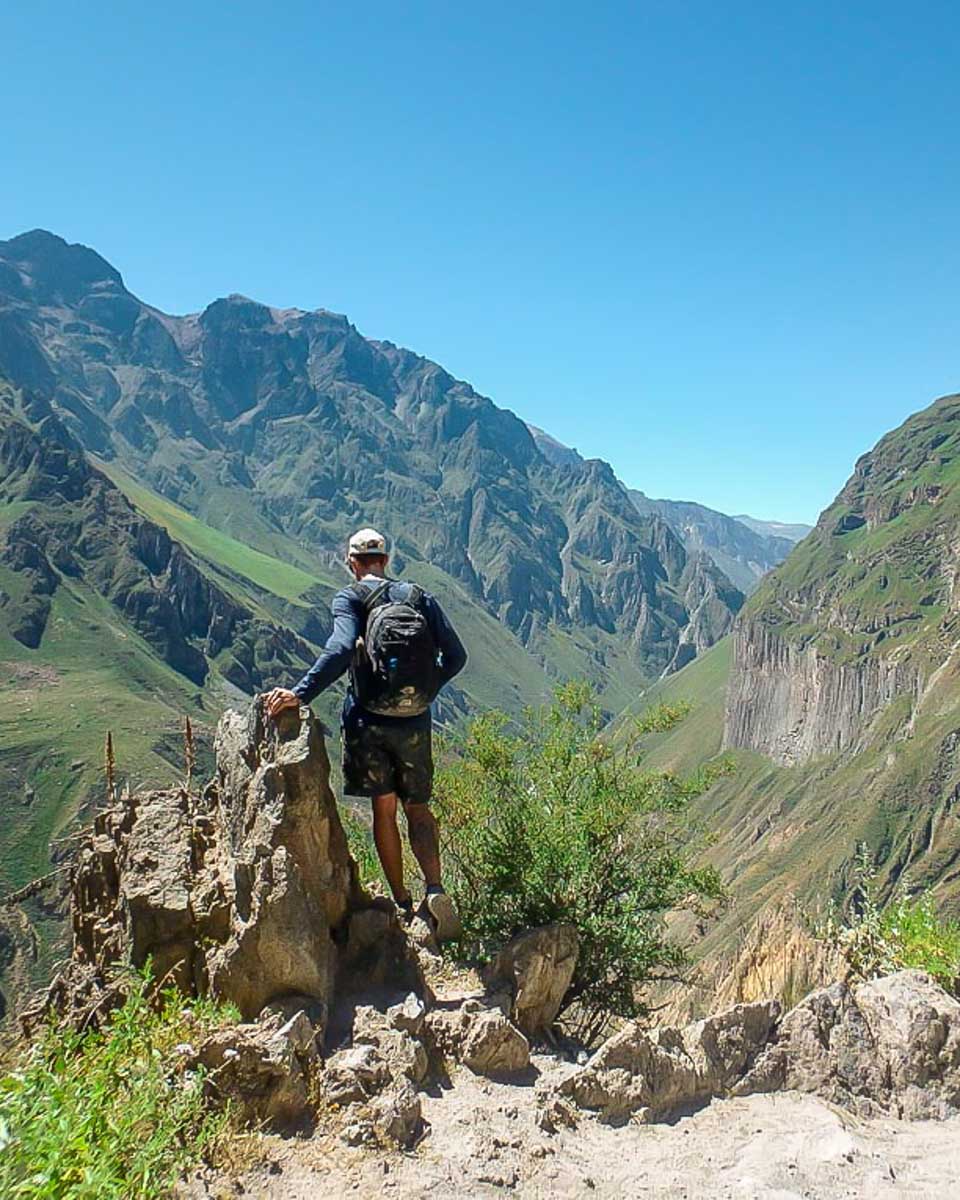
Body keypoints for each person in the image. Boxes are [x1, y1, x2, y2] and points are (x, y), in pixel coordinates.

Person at [265, 527, 467, 940]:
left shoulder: (351, 598)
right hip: (416, 720)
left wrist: (299, 695)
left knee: (384, 811)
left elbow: (340, 650)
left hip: (369, 721)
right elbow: (457, 656)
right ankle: (435, 888)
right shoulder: (417, 596)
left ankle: (403, 903)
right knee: (419, 809)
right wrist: (425, 689)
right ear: (386, 560)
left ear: (352, 562)